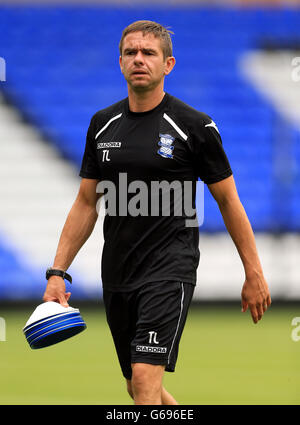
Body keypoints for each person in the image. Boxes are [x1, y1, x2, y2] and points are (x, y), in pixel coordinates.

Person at [43, 20, 271, 405]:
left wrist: (254, 272)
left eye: (149, 53)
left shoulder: (194, 126)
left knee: (145, 385)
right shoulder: (102, 126)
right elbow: (86, 203)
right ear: (119, 63)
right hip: (117, 274)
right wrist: (57, 273)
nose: (139, 59)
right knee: (137, 386)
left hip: (170, 272)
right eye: (131, 52)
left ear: (169, 65)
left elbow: (229, 201)